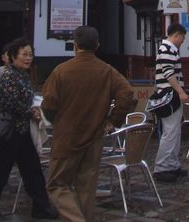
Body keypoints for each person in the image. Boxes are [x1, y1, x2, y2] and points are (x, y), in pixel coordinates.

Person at [41, 26, 134, 221]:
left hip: (66, 136)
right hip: (94, 135)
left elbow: (48, 104)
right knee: (86, 188)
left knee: (57, 184)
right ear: (97, 45)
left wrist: (56, 121)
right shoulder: (107, 71)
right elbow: (127, 94)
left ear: (75, 45)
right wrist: (112, 121)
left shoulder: (61, 71)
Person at [0, 38, 57, 218]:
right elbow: (9, 103)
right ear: (13, 56)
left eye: (30, 54)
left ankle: (41, 208)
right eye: (24, 54)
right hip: (11, 131)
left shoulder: (23, 75)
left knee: (33, 170)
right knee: (0, 173)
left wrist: (34, 109)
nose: (28, 58)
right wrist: (31, 112)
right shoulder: (9, 76)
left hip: (23, 131)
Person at [151, 21, 189, 182]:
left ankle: (172, 164)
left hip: (170, 95)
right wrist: (180, 92)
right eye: (182, 38)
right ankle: (161, 167)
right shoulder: (167, 49)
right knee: (171, 131)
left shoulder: (168, 49)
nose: (183, 41)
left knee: (175, 131)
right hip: (170, 95)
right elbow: (169, 73)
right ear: (177, 35)